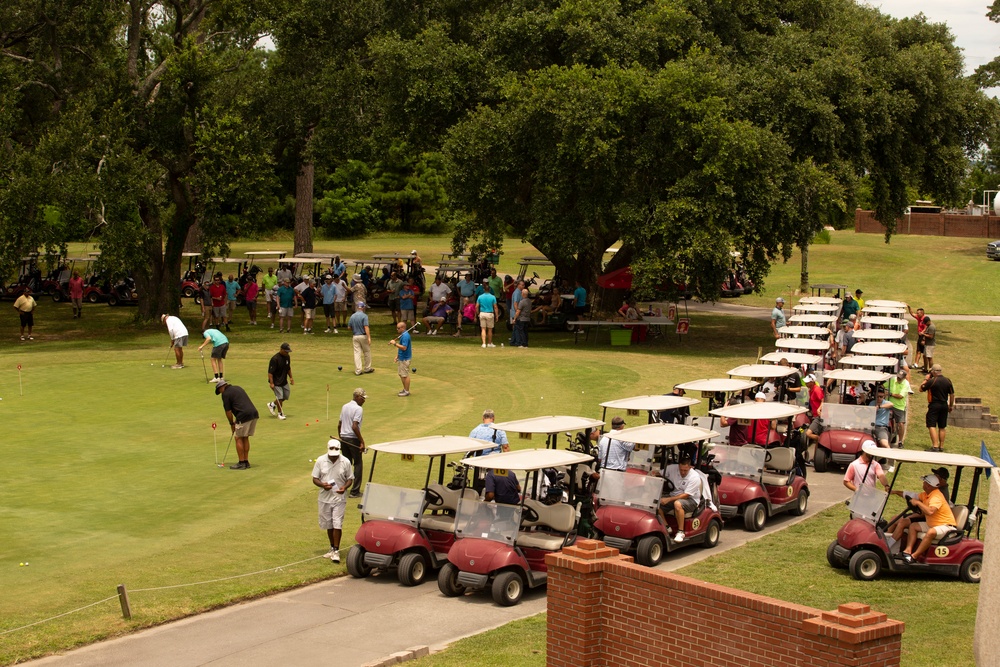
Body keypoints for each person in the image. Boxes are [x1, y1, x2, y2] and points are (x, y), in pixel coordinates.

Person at [890, 473, 957, 563]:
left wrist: (918, 503)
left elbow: (930, 511)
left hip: (946, 526)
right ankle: (907, 551)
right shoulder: (926, 494)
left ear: (928, 485)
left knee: (931, 532)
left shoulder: (936, 496)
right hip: (934, 524)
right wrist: (895, 492)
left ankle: (914, 556)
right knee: (913, 526)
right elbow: (912, 495)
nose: (923, 484)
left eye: (924, 483)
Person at [312, 438, 354, 563]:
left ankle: (336, 550)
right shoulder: (320, 460)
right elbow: (315, 478)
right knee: (328, 524)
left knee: (337, 524)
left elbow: (350, 479)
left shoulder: (345, 461)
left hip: (339, 498)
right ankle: (331, 547)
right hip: (324, 498)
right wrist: (322, 485)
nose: (334, 457)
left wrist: (345, 487)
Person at [658, 453, 701, 542]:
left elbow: (686, 495)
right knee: (656, 503)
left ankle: (681, 532)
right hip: (674, 496)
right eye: (681, 470)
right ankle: (667, 527)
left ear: (690, 467)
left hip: (691, 500)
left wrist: (668, 499)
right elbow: (659, 473)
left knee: (677, 504)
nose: (682, 472)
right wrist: (653, 474)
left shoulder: (695, 477)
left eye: (685, 470)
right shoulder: (672, 468)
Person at [215, 380, 259, 470]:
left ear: (221, 388)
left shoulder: (225, 394)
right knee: (245, 437)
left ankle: (241, 462)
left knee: (238, 437)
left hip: (244, 415)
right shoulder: (237, 388)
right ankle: (246, 462)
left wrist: (231, 424)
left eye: (219, 391)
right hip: (253, 414)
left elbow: (228, 412)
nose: (220, 393)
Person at [338, 388, 367, 497]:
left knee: (346, 463)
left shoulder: (345, 406)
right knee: (358, 463)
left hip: (344, 438)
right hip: (352, 438)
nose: (364, 400)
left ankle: (343, 487)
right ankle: (355, 491)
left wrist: (341, 438)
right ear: (357, 397)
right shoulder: (358, 409)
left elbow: (339, 424)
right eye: (363, 398)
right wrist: (362, 441)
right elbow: (354, 426)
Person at [920, 364, 954, 452]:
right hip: (944, 405)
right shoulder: (948, 381)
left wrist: (926, 379)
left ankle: (935, 446)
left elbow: (921, 388)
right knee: (942, 426)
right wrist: (950, 406)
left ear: (934, 372)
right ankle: (941, 446)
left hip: (934, 405)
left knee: (931, 425)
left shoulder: (932, 381)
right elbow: (952, 394)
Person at [266, 342, 294, 420]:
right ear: (281, 349)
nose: (287, 353)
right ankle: (280, 414)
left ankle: (272, 404)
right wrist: (271, 383)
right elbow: (270, 373)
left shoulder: (287, 357)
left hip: (284, 381)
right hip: (276, 382)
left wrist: (291, 378)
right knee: (280, 398)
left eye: (288, 351)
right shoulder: (275, 359)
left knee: (286, 396)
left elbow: (288, 368)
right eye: (286, 351)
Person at [887, 370, 911, 448]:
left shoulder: (906, 384)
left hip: (899, 406)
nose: (898, 379)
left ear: (904, 378)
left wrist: (890, 394)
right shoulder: (893, 380)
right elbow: (884, 386)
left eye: (900, 378)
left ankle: (900, 441)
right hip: (889, 404)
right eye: (898, 377)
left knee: (901, 423)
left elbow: (900, 396)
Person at [349, 302, 374, 375]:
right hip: (363, 336)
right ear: (363, 307)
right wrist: (369, 337)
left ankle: (358, 370)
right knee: (366, 352)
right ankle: (367, 368)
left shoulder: (352, 316)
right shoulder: (364, 316)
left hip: (355, 336)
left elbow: (349, 327)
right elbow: (366, 327)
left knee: (357, 353)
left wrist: (355, 329)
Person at [389, 321, 412, 397]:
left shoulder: (405, 336)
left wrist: (395, 343)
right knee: (401, 374)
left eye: (398, 328)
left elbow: (404, 347)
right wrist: (397, 356)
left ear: (403, 328)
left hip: (405, 359)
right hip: (402, 357)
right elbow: (401, 348)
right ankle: (405, 389)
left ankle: (407, 391)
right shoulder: (403, 335)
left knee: (405, 375)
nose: (397, 330)